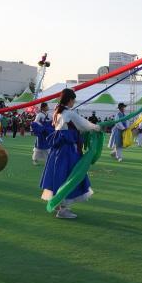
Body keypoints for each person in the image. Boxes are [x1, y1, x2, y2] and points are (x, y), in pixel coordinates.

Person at [40, 89, 101, 219]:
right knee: (69, 177)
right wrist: (97, 127)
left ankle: (59, 205)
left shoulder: (57, 111)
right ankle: (63, 209)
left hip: (57, 151)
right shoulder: (68, 113)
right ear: (69, 100)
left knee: (59, 176)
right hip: (68, 151)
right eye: (73, 100)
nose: (74, 102)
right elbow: (85, 124)